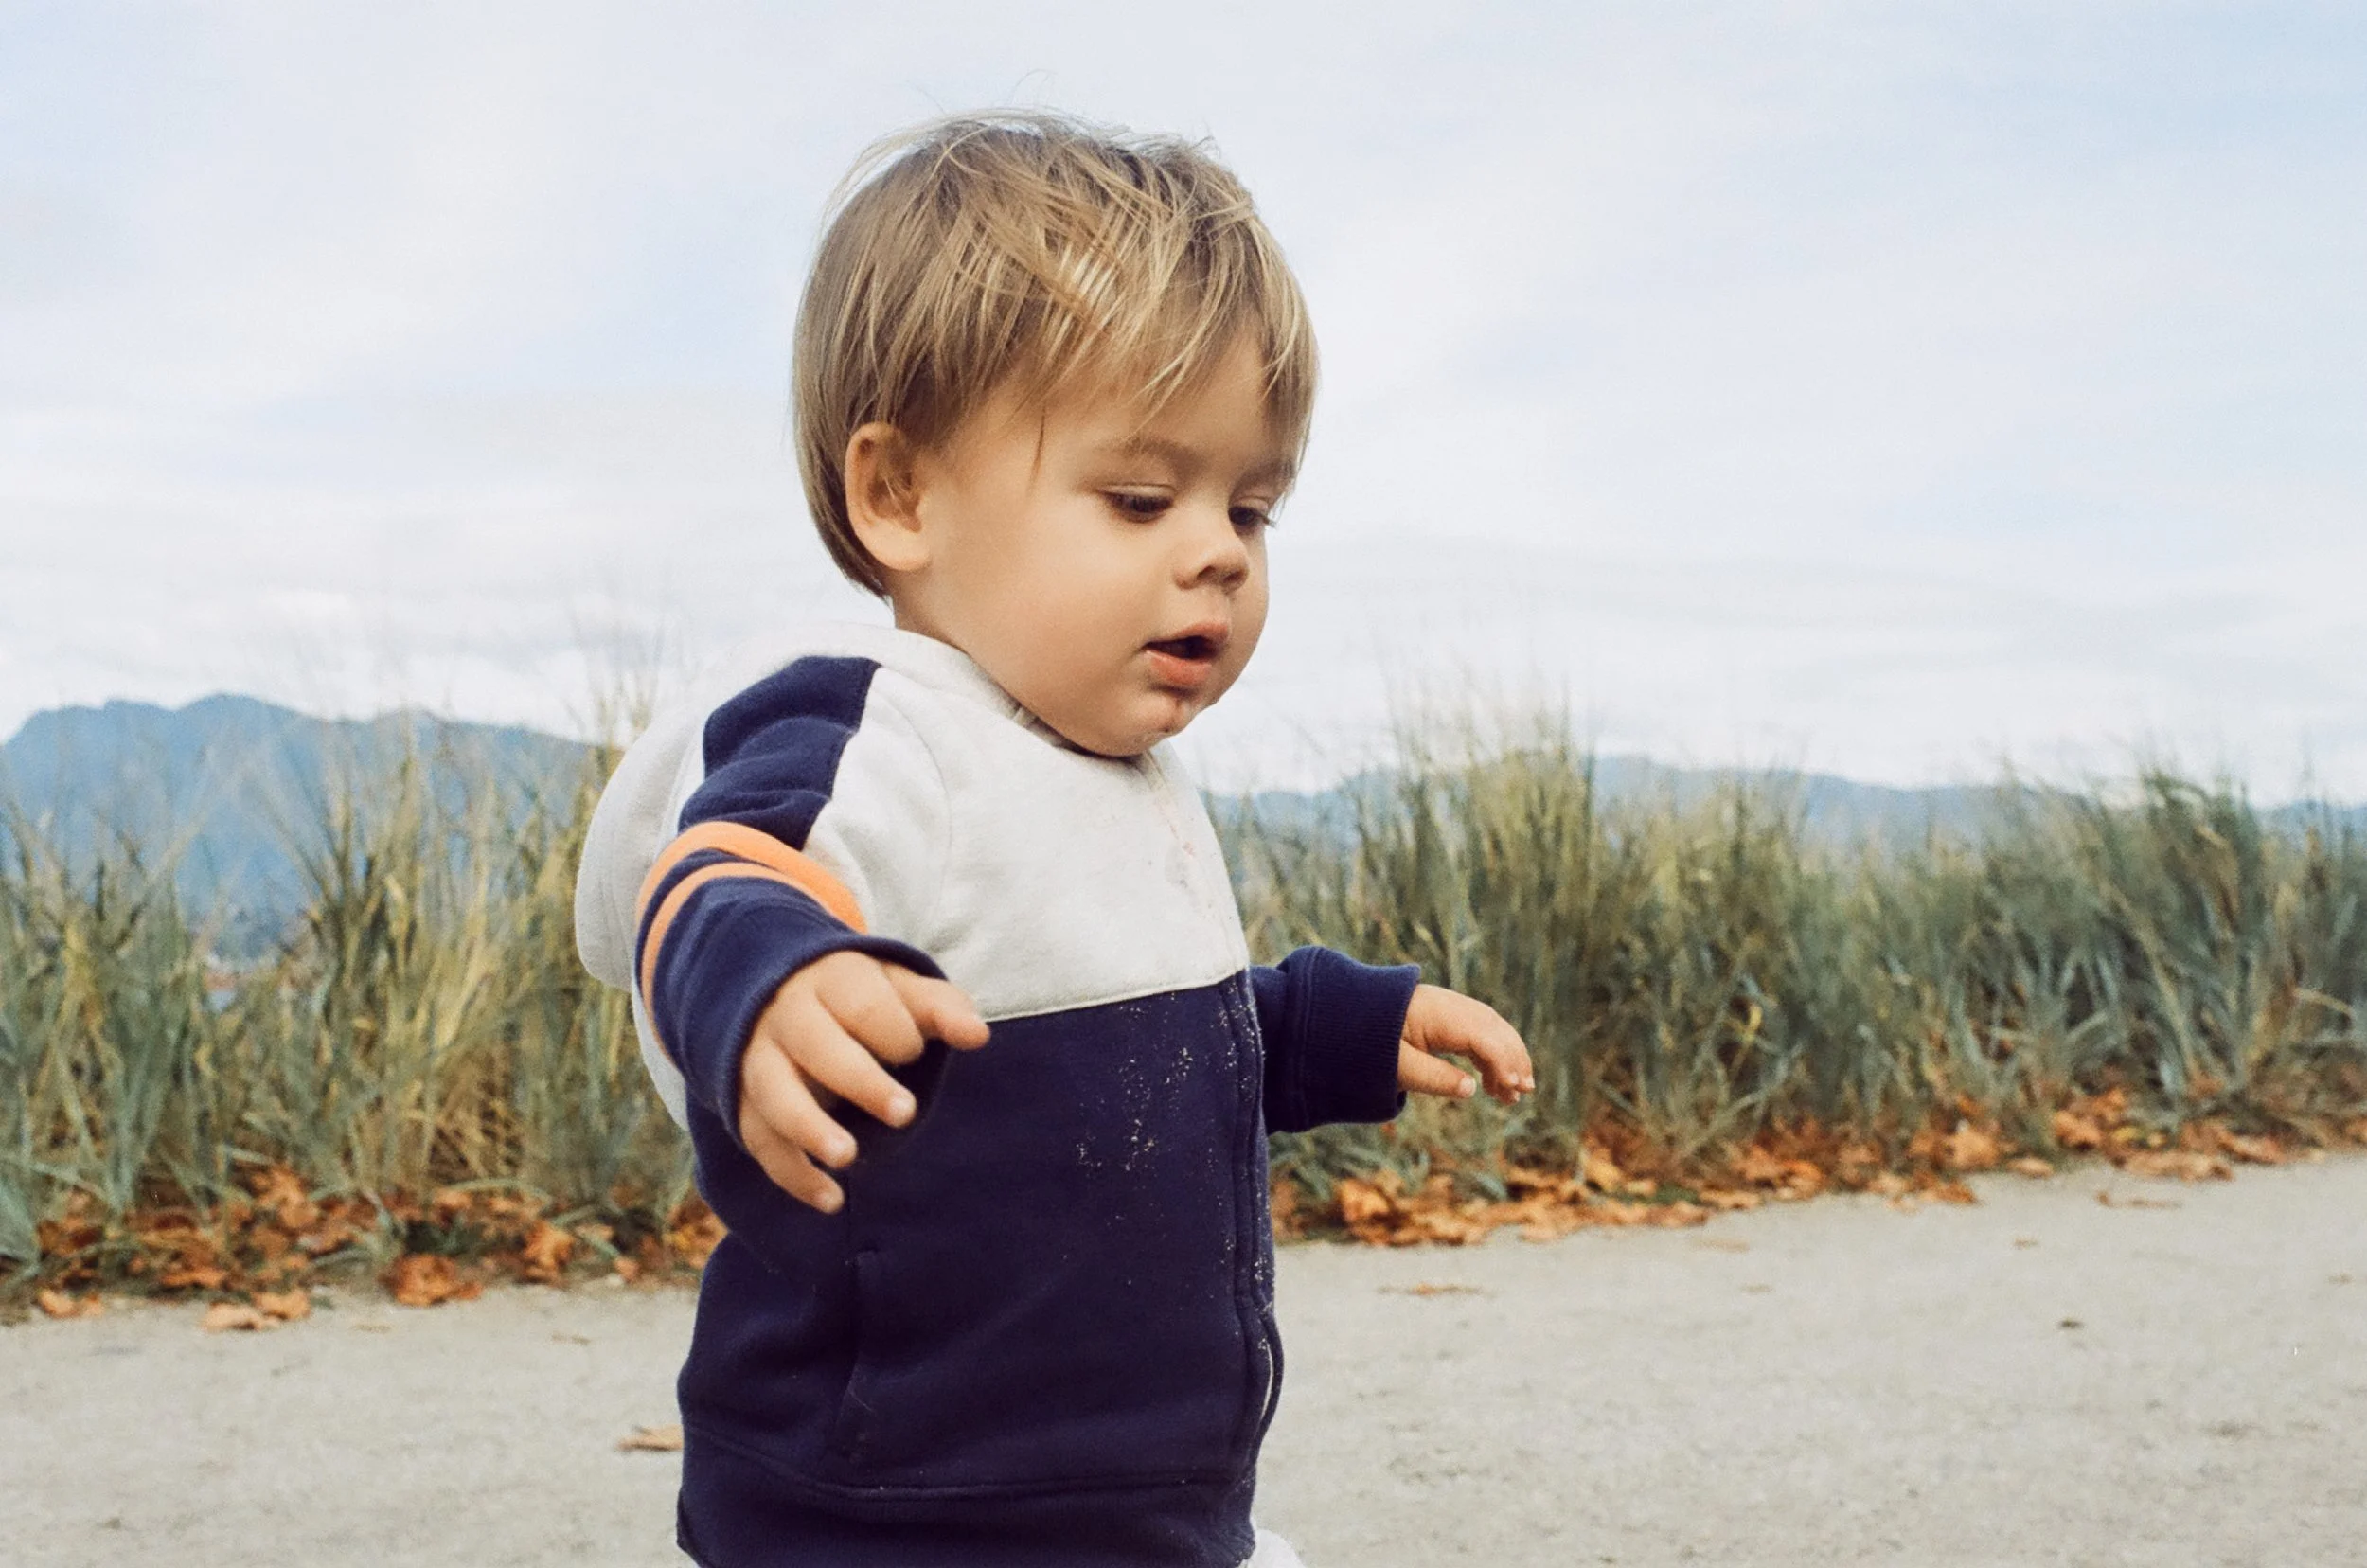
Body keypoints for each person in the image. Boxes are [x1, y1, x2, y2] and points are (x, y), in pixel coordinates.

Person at [574, 110, 1534, 1568]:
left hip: (1143, 1510)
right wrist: (773, 984)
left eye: (1251, 506)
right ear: (900, 494)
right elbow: (719, 877)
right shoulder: (874, 734)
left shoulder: (1113, 772)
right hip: (886, 1520)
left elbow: (1135, 1043)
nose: (1213, 546)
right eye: (1142, 497)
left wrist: (1335, 1026)